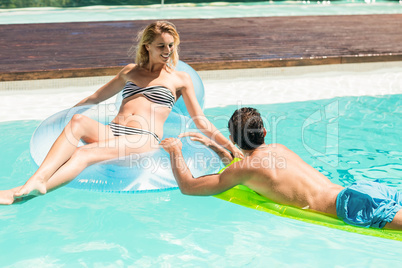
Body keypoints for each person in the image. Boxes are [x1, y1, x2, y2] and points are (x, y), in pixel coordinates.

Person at [0, 21, 241, 205]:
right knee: (77, 121)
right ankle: (35, 181)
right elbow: (95, 98)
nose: (167, 51)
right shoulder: (130, 71)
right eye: (161, 46)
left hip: (142, 139)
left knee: (84, 153)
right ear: (147, 46)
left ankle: (25, 194)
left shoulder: (180, 79)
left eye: (170, 45)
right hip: (113, 132)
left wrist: (228, 145)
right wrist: (63, 115)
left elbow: (200, 120)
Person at [161, 107, 402, 230]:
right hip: (360, 189)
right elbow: (240, 162)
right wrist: (212, 145)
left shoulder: (245, 169)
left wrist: (174, 150)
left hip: (350, 207)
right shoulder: (279, 148)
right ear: (264, 132)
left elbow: (188, 187)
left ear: (233, 140)